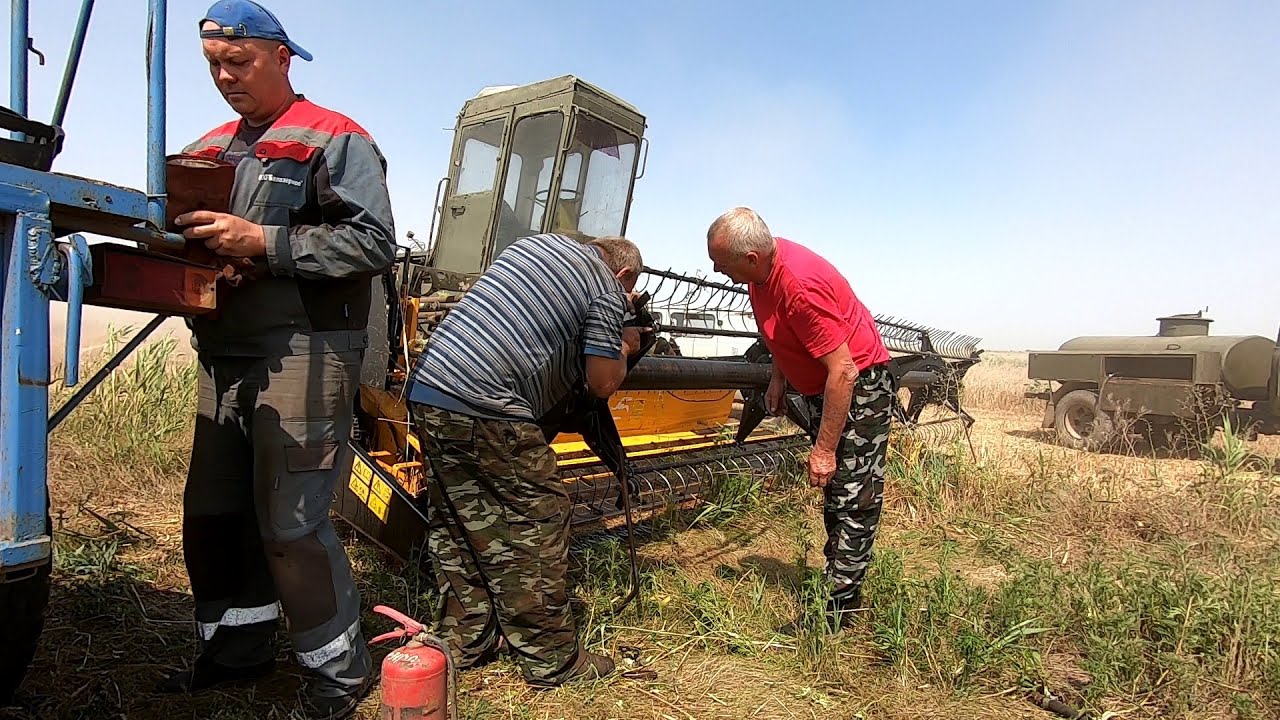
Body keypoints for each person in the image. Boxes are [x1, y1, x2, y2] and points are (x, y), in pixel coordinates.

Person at [159, 2, 397, 717]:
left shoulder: (336, 137)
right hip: (222, 352)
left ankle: (340, 676)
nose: (225, 77)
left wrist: (264, 243)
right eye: (214, 66)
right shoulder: (205, 149)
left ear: (282, 58)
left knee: (291, 523)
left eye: (239, 62)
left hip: (305, 350)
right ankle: (238, 651)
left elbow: (373, 245)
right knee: (214, 511)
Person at [404, 232, 645, 687]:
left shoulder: (533, 246)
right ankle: (551, 658)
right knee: (540, 515)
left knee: (462, 517)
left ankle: (464, 639)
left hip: (431, 387)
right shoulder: (606, 286)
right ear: (624, 273)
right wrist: (625, 342)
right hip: (485, 402)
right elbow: (601, 383)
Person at [705, 207, 894, 632]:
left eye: (721, 263)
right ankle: (842, 585)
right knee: (838, 492)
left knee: (852, 496)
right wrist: (779, 378)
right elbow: (780, 332)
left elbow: (843, 370)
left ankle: (836, 614)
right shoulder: (760, 276)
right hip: (827, 384)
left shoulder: (799, 286)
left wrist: (824, 449)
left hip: (860, 386)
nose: (717, 271)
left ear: (751, 258)